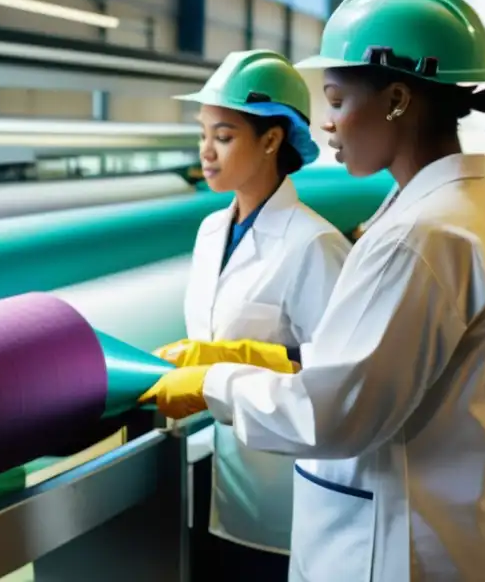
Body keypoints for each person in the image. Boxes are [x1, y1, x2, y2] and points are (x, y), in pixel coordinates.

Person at [139, 0, 485, 581]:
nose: (327, 125)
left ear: (397, 100)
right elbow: (367, 367)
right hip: (448, 533)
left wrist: (215, 380)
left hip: (401, 548)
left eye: (335, 99)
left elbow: (334, 413)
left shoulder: (423, 237)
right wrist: (255, 358)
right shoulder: (462, 214)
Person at [155, 49, 351, 577]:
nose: (206, 152)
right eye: (203, 134)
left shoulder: (314, 244)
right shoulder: (210, 232)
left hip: (287, 490)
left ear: (271, 139)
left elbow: (339, 376)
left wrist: (232, 360)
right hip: (220, 472)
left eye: (224, 136)